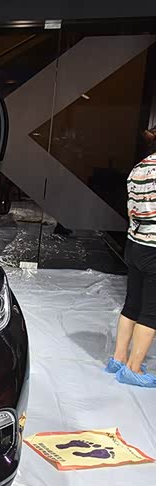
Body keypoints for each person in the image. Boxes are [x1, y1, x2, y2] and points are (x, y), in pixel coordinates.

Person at [107, 127, 156, 386]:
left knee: (132, 304)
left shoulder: (138, 168)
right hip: (154, 247)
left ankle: (118, 359)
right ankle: (133, 369)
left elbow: (131, 210)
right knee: (151, 312)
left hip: (135, 244)